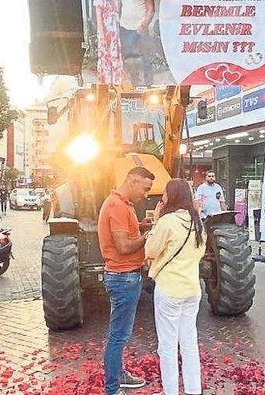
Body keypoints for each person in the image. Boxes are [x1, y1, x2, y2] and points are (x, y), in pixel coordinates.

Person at [98, 166, 155, 395]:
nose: (146, 194)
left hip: (123, 276)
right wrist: (147, 236)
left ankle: (118, 375)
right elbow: (123, 247)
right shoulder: (117, 206)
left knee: (119, 333)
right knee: (118, 335)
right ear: (132, 180)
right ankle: (112, 389)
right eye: (145, 188)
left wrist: (139, 227)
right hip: (124, 277)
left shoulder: (123, 205)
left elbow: (124, 236)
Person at [145, 178, 205, 395]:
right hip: (192, 290)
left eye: (164, 195)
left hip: (170, 290)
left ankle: (170, 391)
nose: (162, 199)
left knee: (167, 345)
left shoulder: (167, 221)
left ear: (172, 196)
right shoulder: (197, 222)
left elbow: (150, 251)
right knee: (189, 341)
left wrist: (154, 222)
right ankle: (193, 390)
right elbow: (198, 253)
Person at [118, 0, 155, 86]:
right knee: (129, 58)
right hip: (125, 27)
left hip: (139, 28)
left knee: (145, 58)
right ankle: (135, 85)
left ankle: (148, 85)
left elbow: (151, 9)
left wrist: (144, 25)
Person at [93, 0, 124, 84]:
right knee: (106, 57)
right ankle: (106, 82)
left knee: (115, 56)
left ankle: (116, 82)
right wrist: (101, 34)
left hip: (116, 29)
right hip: (106, 28)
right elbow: (98, 16)